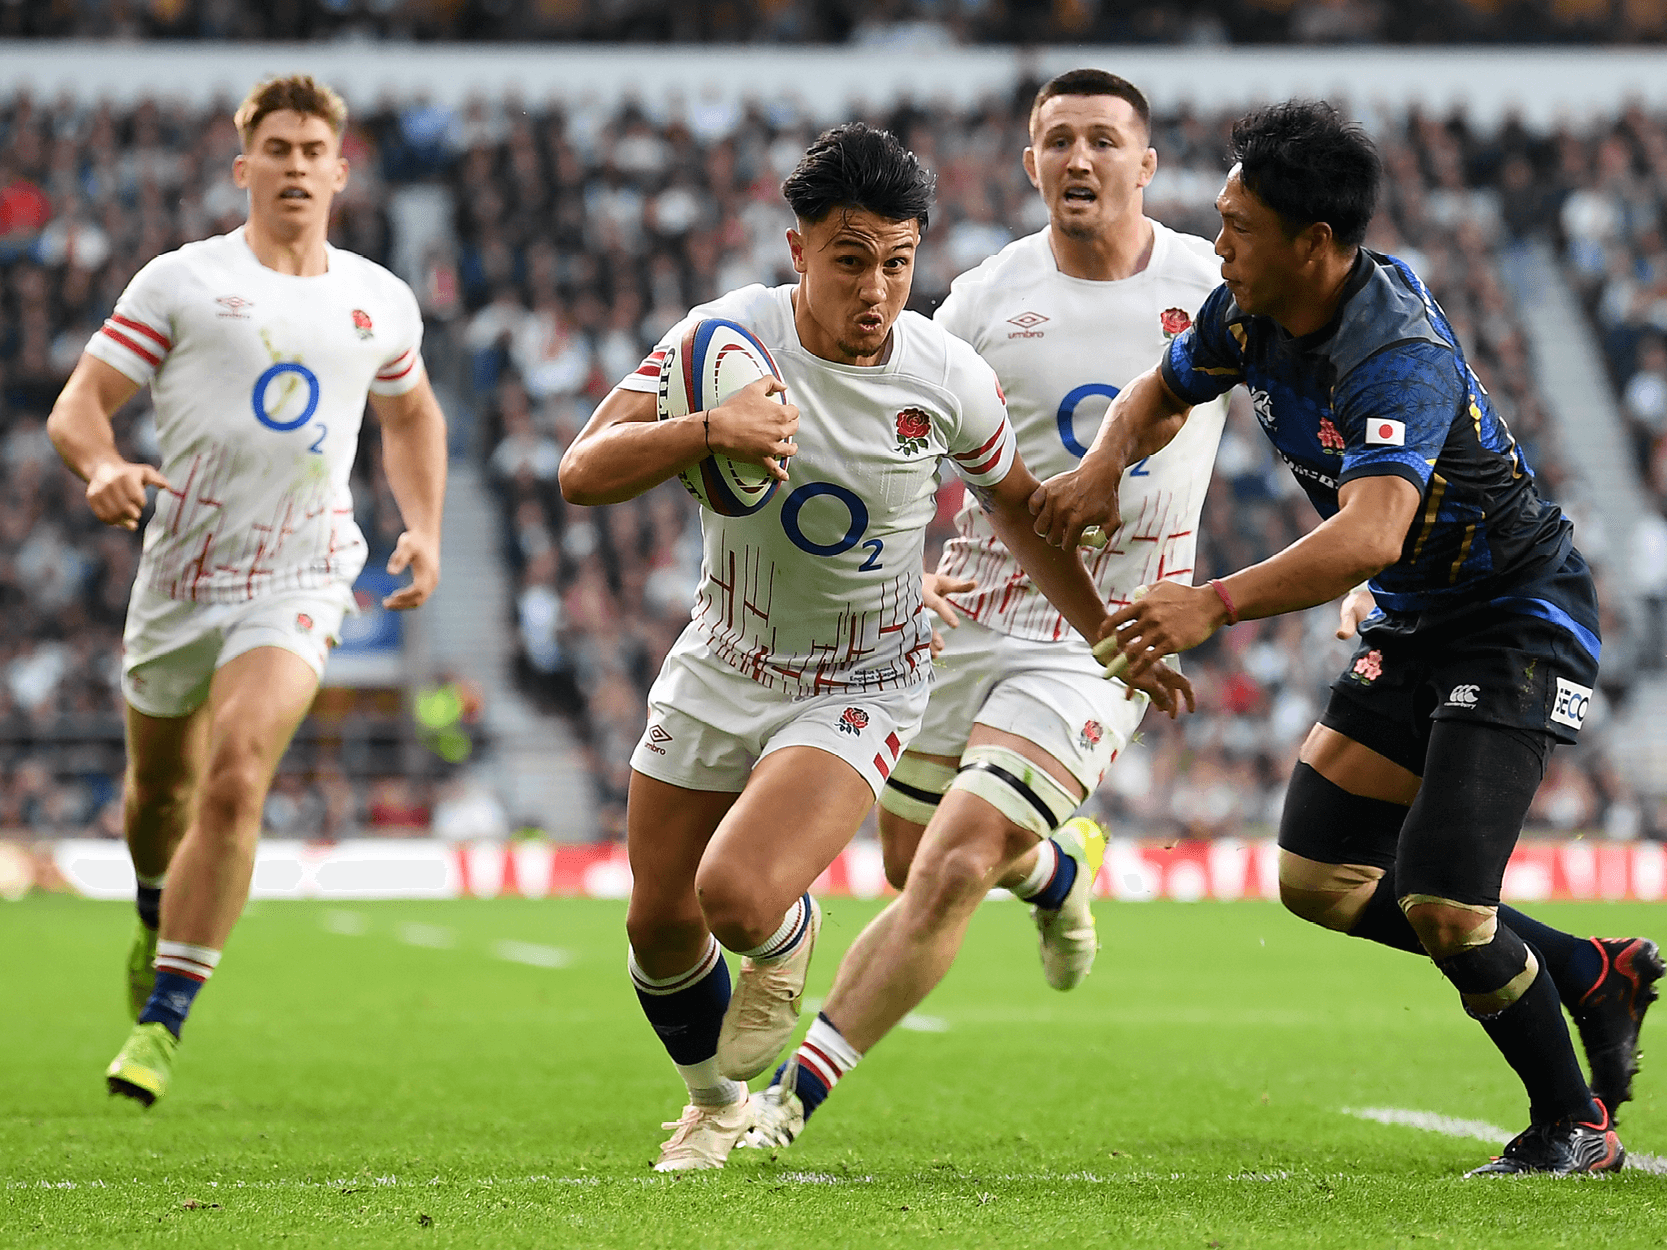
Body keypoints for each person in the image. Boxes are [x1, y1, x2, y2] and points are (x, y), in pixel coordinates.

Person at [1027, 100, 1661, 1176]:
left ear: (1312, 244)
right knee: (1319, 877)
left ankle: (1570, 1123)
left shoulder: (1391, 355)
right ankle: (1587, 970)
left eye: (1235, 226)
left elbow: (1369, 530)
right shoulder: (1248, 309)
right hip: (1416, 614)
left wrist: (1211, 603)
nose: (1216, 244)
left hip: (1512, 618)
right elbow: (1158, 390)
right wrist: (1098, 467)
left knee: (1445, 902)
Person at [558, 122, 1183, 1172]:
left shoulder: (946, 375)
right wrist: (707, 432)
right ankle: (711, 1103)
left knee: (739, 896)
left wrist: (1105, 636)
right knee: (657, 924)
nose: (877, 290)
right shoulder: (724, 343)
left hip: (865, 676)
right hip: (722, 655)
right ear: (797, 251)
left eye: (897, 262)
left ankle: (784, 935)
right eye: (850, 260)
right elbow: (583, 469)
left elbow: (1023, 511)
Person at [735, 68, 1227, 1152]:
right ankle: (1055, 867)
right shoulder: (983, 299)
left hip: (1104, 627)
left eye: (1103, 140)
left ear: (1146, 164)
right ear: (1028, 164)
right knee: (908, 867)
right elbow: (883, 430)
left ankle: (788, 1100)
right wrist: (900, 568)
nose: (1079, 159)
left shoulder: (1211, 284)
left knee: (954, 861)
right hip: (971, 606)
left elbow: (1309, 417)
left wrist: (1368, 565)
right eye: (1056, 141)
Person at [47, 74, 448, 1107]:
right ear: (245, 168)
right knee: (160, 800)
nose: (297, 166)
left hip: (302, 572)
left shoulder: (377, 298)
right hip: (180, 576)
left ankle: (163, 1022)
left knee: (237, 770)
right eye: (278, 148)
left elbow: (412, 416)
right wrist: (100, 466)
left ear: (341, 170)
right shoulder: (180, 281)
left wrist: (424, 526)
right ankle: (151, 908)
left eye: (315, 150)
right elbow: (79, 407)